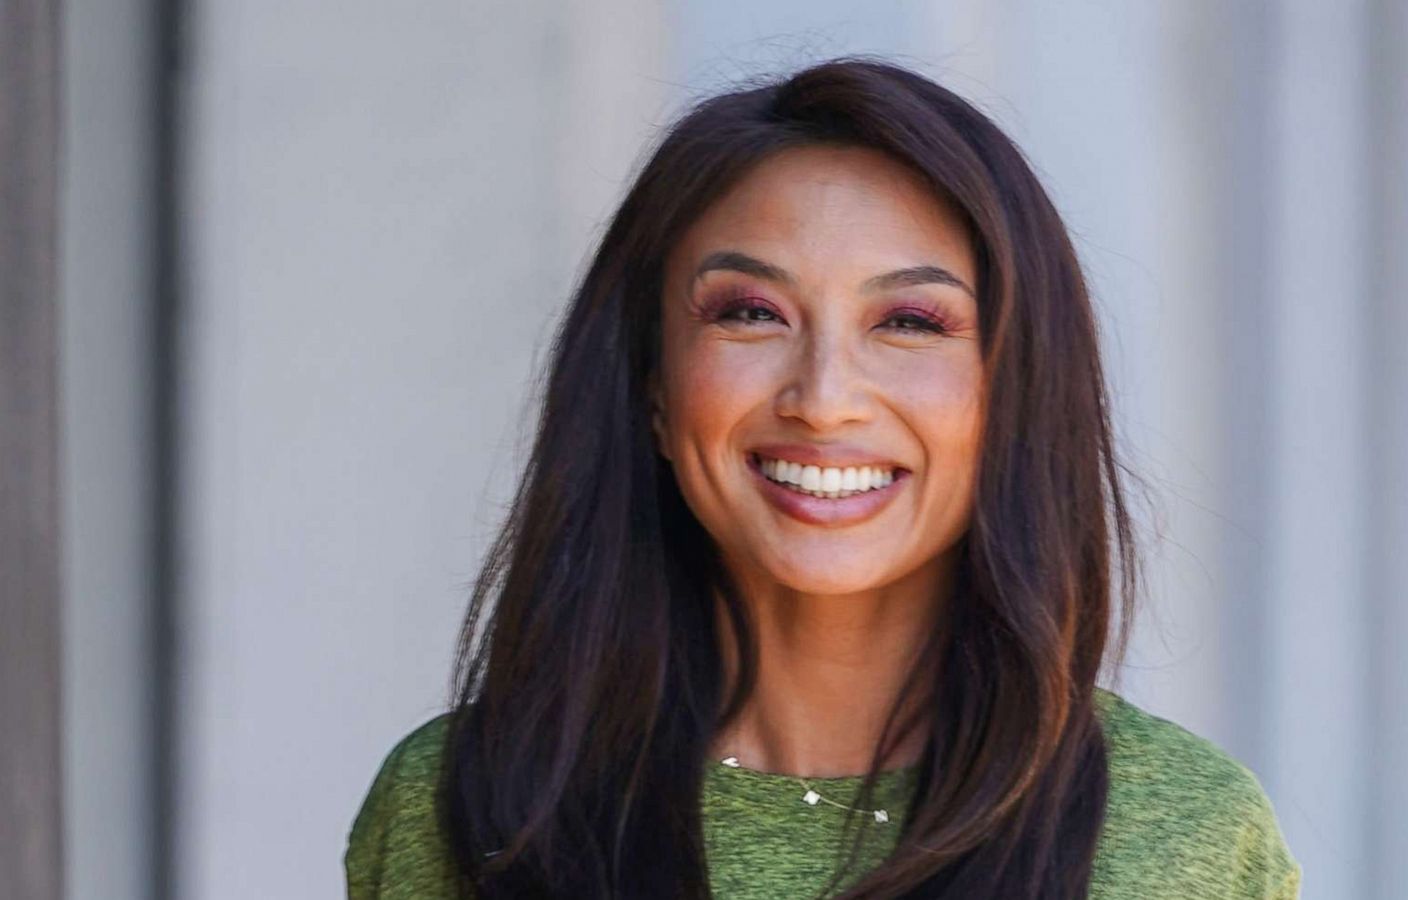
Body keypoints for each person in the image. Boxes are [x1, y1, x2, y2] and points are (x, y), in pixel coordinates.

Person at [343, 56, 1301, 900]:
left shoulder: (1187, 840)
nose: (824, 396)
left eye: (911, 322)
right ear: (654, 392)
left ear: (1014, 396)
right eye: (752, 313)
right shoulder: (458, 810)